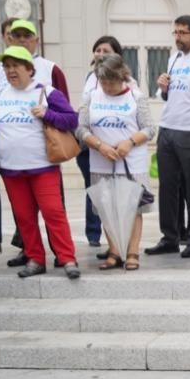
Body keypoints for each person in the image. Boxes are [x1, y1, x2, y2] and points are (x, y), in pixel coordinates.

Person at [0, 46, 80, 280]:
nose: (10, 70)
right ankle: (35, 259)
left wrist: (48, 114)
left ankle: (67, 259)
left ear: (29, 69)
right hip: (10, 168)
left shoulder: (47, 92)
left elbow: (72, 120)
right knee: (24, 217)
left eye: (16, 65)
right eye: (7, 66)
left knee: (53, 213)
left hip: (43, 167)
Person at [76, 54, 156, 271]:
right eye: (103, 82)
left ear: (122, 77)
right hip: (100, 162)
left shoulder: (136, 97)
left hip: (130, 163)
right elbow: (81, 129)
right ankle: (114, 251)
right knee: (106, 207)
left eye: (112, 81)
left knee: (133, 208)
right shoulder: (92, 97)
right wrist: (100, 145)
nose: (107, 86)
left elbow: (150, 129)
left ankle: (132, 252)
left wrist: (129, 142)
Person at [148, 15, 190, 259]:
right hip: (167, 127)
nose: (178, 37)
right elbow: (171, 95)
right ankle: (170, 237)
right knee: (167, 187)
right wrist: (164, 88)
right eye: (175, 32)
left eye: (183, 33)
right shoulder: (174, 57)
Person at [76, 35, 125, 251]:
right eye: (98, 50)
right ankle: (94, 233)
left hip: (116, 148)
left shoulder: (126, 80)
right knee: (94, 189)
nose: (100, 54)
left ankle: (119, 242)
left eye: (106, 51)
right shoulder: (89, 77)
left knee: (115, 194)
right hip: (90, 145)